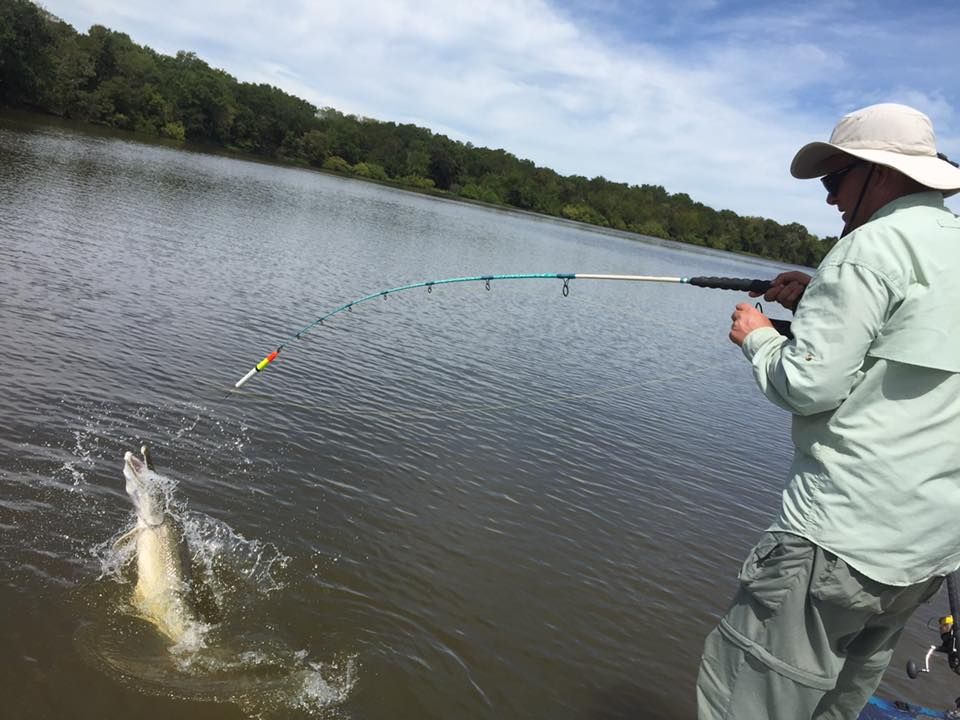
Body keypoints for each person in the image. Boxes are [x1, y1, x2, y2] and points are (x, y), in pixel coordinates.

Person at [697, 102, 960, 720]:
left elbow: (808, 385)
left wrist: (758, 335)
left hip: (837, 539)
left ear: (882, 174)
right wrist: (818, 295)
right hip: (924, 553)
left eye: (834, 179)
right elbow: (908, 337)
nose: (829, 200)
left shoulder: (867, 250)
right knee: (834, 705)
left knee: (748, 699)